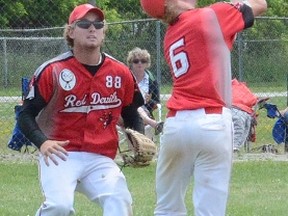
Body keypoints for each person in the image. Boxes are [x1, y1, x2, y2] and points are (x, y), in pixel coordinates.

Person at [140, 0, 267, 216]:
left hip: (176, 126)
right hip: (211, 122)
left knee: (167, 208)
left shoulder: (171, 34)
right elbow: (260, 4)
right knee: (210, 210)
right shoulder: (211, 15)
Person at [18, 3, 144, 216]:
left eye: (98, 24)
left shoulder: (121, 72)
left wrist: (137, 137)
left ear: (104, 32)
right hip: (60, 153)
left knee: (119, 200)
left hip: (100, 156)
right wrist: (43, 142)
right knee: (60, 206)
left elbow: (131, 112)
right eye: (84, 24)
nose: (92, 28)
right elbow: (25, 114)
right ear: (71, 32)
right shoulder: (53, 70)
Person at [127, 47, 164, 139]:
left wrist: (149, 100)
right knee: (135, 107)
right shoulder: (125, 77)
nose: (140, 63)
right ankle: (155, 124)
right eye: (136, 61)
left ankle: (140, 147)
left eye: (143, 61)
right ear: (131, 63)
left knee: (138, 109)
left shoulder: (152, 81)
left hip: (145, 111)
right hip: (126, 111)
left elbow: (157, 103)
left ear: (147, 63)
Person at [231, 78, 258, 152]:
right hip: (241, 111)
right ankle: (235, 147)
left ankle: (232, 147)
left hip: (224, 110)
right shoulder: (242, 88)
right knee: (240, 129)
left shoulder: (222, 86)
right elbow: (253, 100)